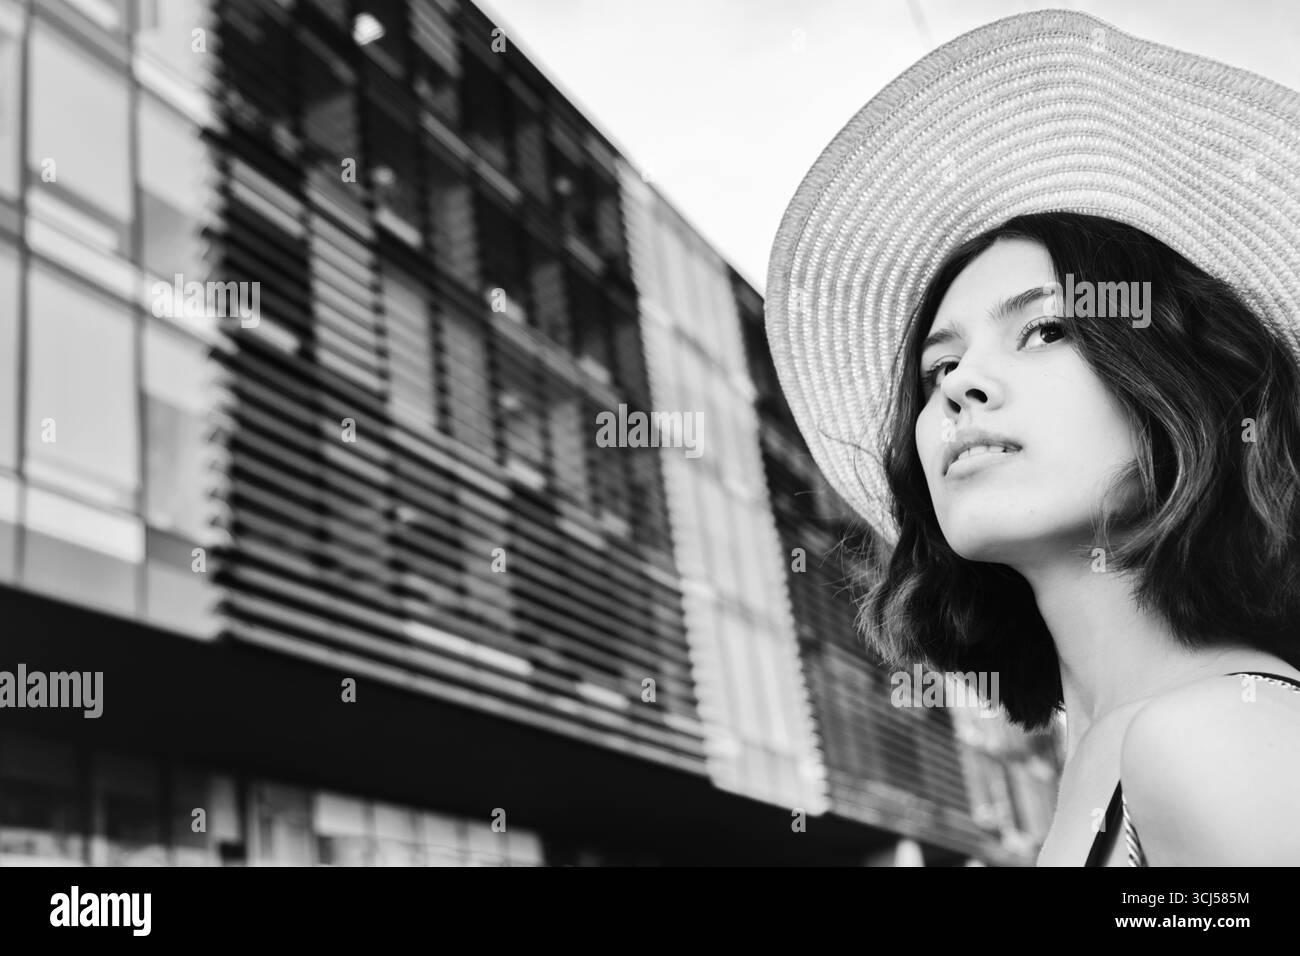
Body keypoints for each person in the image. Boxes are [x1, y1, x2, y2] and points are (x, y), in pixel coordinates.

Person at [764, 10, 1300, 866]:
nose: (959, 387)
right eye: (938, 369)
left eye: (1046, 329)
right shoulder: (1119, 760)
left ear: (1180, 385)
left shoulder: (1213, 740)